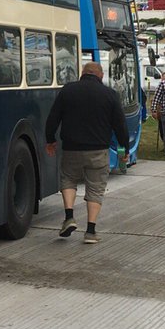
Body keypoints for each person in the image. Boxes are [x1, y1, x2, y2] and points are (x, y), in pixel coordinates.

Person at [44, 60, 131, 245]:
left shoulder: (68, 90)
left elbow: (53, 118)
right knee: (95, 188)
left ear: (83, 73)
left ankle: (69, 216)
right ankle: (90, 231)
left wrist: (50, 140)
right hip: (98, 150)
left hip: (71, 148)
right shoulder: (110, 94)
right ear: (100, 76)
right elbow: (120, 125)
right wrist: (125, 148)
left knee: (68, 179)